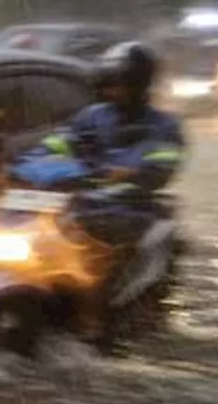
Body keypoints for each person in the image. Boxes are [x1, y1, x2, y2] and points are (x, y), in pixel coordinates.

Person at [16, 41, 186, 339]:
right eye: (108, 84)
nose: (111, 91)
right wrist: (19, 166)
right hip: (78, 207)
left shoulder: (164, 126)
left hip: (130, 212)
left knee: (98, 276)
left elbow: (162, 165)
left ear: (138, 85)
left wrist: (134, 173)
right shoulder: (93, 116)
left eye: (118, 85)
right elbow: (58, 144)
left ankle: (96, 322)